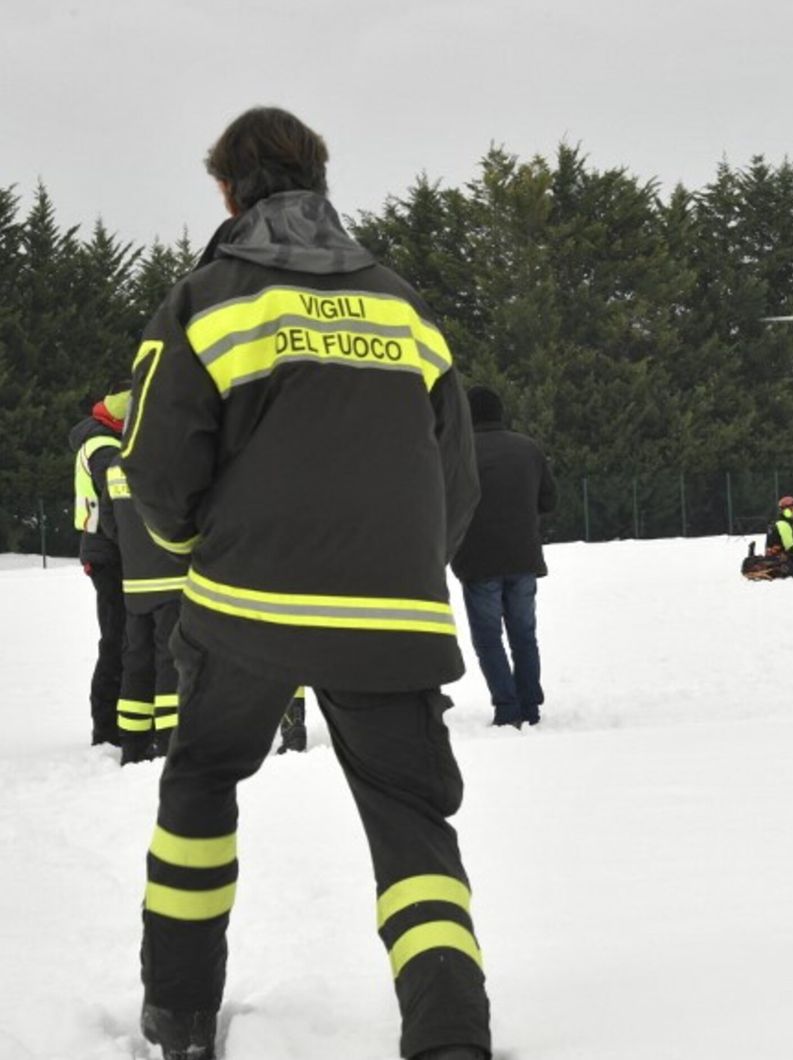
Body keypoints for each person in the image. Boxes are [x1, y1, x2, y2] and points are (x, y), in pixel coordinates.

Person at [121, 106, 489, 1060]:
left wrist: (197, 542)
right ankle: (450, 1035)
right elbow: (457, 476)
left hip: (247, 604)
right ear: (321, 181)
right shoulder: (402, 304)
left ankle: (180, 1016)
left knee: (201, 779)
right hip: (394, 611)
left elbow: (157, 470)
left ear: (227, 190)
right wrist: (405, 571)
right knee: (411, 821)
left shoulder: (208, 297)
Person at [451, 386, 556, 728]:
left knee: (488, 638)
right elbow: (549, 502)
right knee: (524, 635)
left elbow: (445, 505)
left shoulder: (457, 452)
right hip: (524, 557)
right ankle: (530, 706)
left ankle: (507, 707)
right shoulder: (528, 448)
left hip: (478, 561)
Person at [100, 452, 189, 764]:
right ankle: (169, 740)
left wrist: (134, 548)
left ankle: (133, 745)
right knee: (170, 660)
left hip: (135, 584)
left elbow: (108, 524)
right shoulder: (170, 455)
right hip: (173, 579)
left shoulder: (113, 467)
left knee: (136, 661)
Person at [69, 383, 130, 747]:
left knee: (120, 636)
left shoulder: (98, 438)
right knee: (118, 638)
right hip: (110, 552)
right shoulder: (104, 446)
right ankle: (107, 727)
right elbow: (117, 508)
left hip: (104, 551)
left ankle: (113, 721)